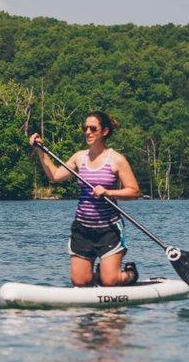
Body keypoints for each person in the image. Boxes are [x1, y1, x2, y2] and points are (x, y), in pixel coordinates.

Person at [29, 111, 140, 287]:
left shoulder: (117, 159)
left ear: (104, 131)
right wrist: (40, 151)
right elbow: (55, 175)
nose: (87, 132)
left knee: (111, 282)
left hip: (108, 230)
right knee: (80, 282)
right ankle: (100, 275)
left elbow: (134, 192)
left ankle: (130, 273)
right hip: (83, 229)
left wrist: (109, 192)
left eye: (92, 128)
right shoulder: (79, 157)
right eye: (85, 128)